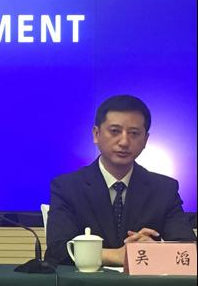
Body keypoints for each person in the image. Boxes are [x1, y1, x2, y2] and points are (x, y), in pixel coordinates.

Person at [45, 94, 196, 266]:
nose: (124, 142)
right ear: (96, 134)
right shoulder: (67, 187)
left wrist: (156, 250)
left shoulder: (164, 189)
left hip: (145, 284)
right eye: (115, 131)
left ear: (145, 140)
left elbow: (189, 250)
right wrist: (116, 255)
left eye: (134, 133)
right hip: (85, 283)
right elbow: (57, 251)